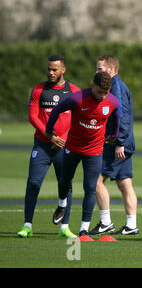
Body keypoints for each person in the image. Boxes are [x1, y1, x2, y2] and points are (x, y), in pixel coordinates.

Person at [46, 71, 120, 237]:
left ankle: (83, 229)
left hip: (94, 151)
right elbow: (56, 110)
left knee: (90, 188)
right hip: (72, 148)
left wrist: (113, 135)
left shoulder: (113, 102)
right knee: (65, 181)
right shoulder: (77, 98)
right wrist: (50, 133)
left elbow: (117, 117)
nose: (102, 96)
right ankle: (62, 203)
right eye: (99, 91)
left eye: (105, 93)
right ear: (93, 85)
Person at [17, 55, 80, 238]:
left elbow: (78, 119)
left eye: (54, 70)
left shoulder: (74, 91)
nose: (50, 73)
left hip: (64, 148)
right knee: (34, 183)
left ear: (63, 70)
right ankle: (27, 225)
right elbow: (33, 117)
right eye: (49, 69)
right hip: (43, 145)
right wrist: (50, 136)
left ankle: (65, 228)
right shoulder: (39, 89)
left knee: (66, 185)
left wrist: (65, 139)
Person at [89, 55, 138, 236]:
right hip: (122, 143)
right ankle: (131, 225)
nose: (97, 72)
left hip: (117, 144)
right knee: (124, 183)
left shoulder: (115, 86)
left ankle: (105, 222)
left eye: (100, 69)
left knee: (95, 180)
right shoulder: (115, 85)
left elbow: (122, 116)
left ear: (110, 70)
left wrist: (120, 143)